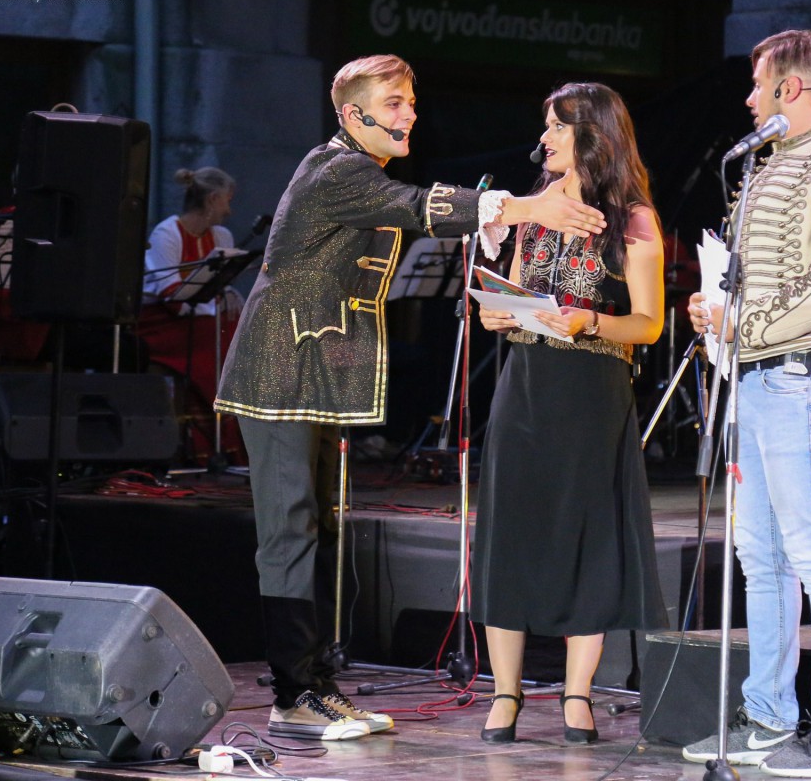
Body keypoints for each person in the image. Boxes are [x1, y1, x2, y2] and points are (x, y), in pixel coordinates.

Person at [213, 55, 607, 742]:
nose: (408, 115)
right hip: (278, 374)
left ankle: (316, 685)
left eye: (411, 103)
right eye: (393, 104)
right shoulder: (335, 170)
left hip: (313, 371)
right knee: (290, 532)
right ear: (353, 114)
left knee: (318, 529)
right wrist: (524, 207)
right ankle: (292, 694)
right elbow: (417, 206)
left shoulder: (358, 171)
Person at [680, 30, 811, 778]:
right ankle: (769, 716)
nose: (748, 98)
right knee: (762, 556)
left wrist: (750, 325)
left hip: (807, 376)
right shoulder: (775, 164)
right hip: (764, 376)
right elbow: (763, 274)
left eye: (758, 83)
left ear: (790, 88)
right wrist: (719, 310)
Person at [471, 82, 668, 745]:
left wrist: (591, 322)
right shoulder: (532, 209)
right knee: (510, 532)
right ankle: (505, 691)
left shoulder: (633, 219)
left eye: (558, 127)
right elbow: (512, 292)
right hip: (525, 384)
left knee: (588, 535)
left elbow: (648, 324)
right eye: (547, 125)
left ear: (593, 135)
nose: (546, 138)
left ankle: (577, 693)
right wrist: (497, 314)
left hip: (591, 393)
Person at [138, 167, 245, 463]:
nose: (229, 210)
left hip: (200, 320)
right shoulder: (166, 233)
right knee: (217, 335)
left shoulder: (222, 236)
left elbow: (218, 289)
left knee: (241, 329)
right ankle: (221, 433)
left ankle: (237, 430)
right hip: (161, 323)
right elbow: (172, 298)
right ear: (212, 200)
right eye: (227, 201)